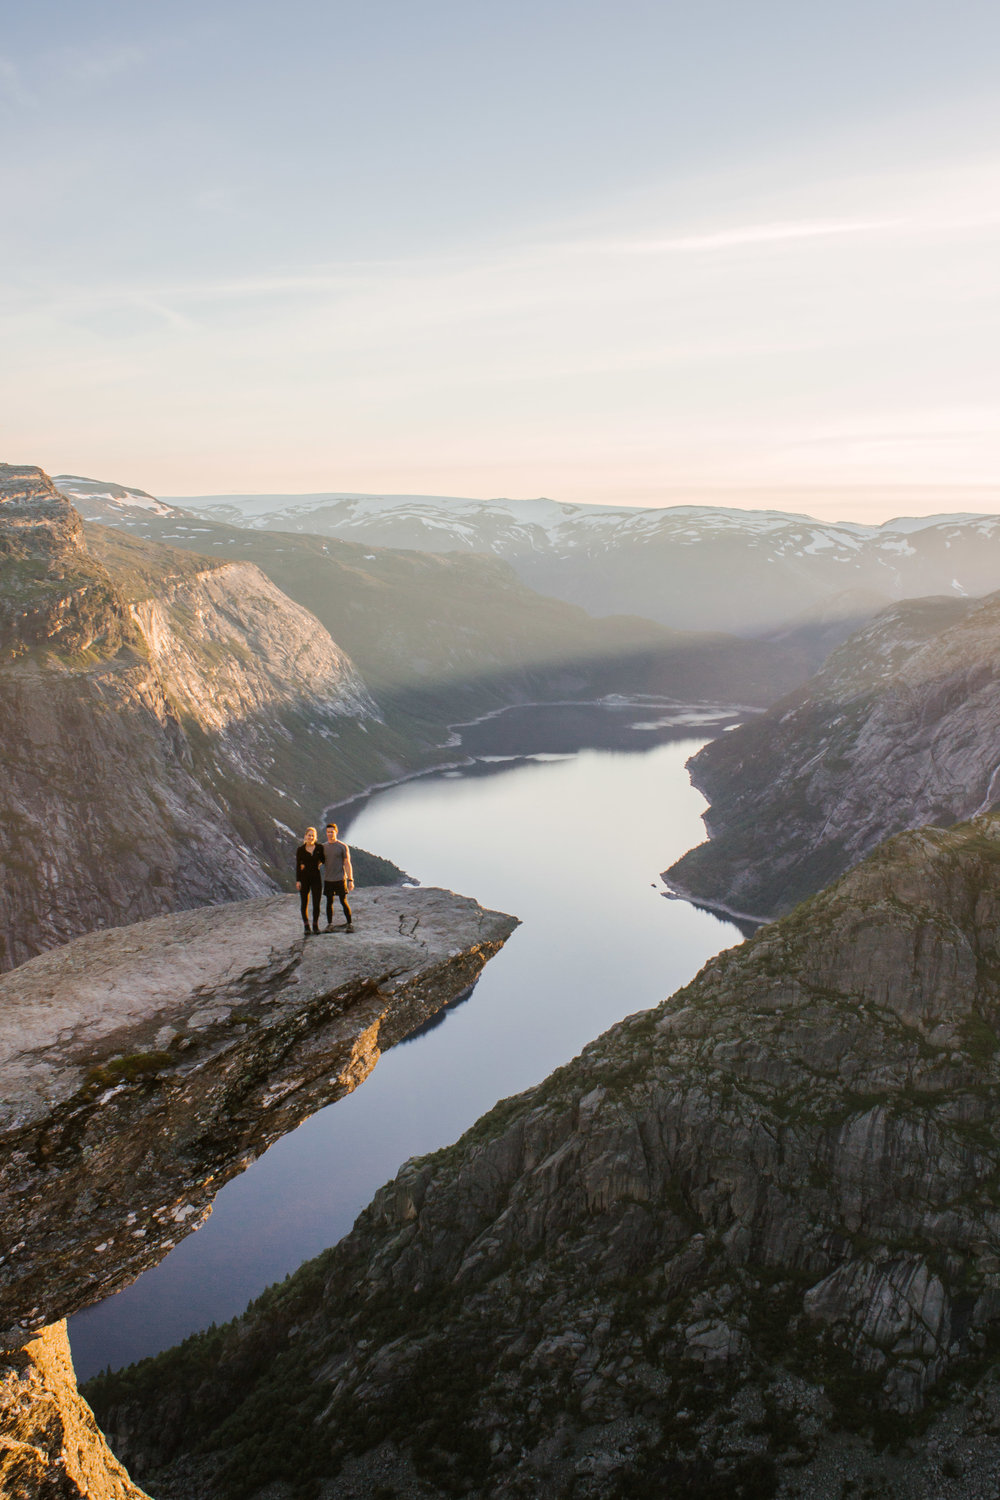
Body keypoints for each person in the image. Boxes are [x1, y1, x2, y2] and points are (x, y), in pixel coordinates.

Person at [322, 822, 355, 931]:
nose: (330, 834)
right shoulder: (323, 847)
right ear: (326, 833)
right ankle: (330, 924)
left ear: (336, 832)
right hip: (328, 879)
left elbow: (347, 863)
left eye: (332, 832)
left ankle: (350, 924)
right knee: (329, 902)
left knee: (343, 901)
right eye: (328, 832)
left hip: (340, 879)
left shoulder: (342, 846)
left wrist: (350, 879)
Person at [295, 827, 324, 935]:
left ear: (315, 837)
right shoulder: (300, 849)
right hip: (304, 879)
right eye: (309, 835)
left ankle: (315, 925)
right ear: (305, 836)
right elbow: (298, 866)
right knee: (304, 903)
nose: (310, 837)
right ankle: (306, 926)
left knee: (316, 903)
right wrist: (298, 881)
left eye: (312, 835)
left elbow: (324, 860)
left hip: (316, 878)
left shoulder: (319, 848)